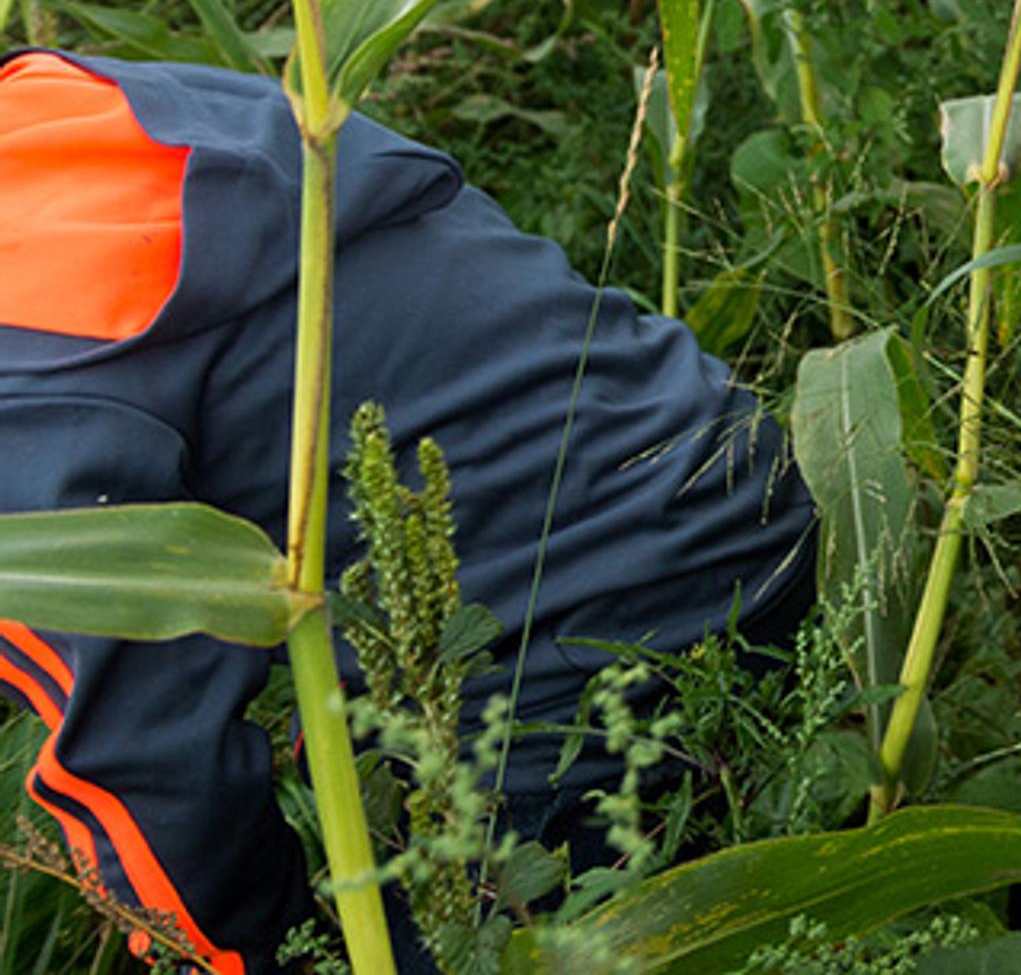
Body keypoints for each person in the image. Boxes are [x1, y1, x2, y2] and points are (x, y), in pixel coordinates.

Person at [0, 49, 820, 973]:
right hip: (730, 469)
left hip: (565, 642)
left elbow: (142, 760)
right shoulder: (65, 112)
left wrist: (250, 960)